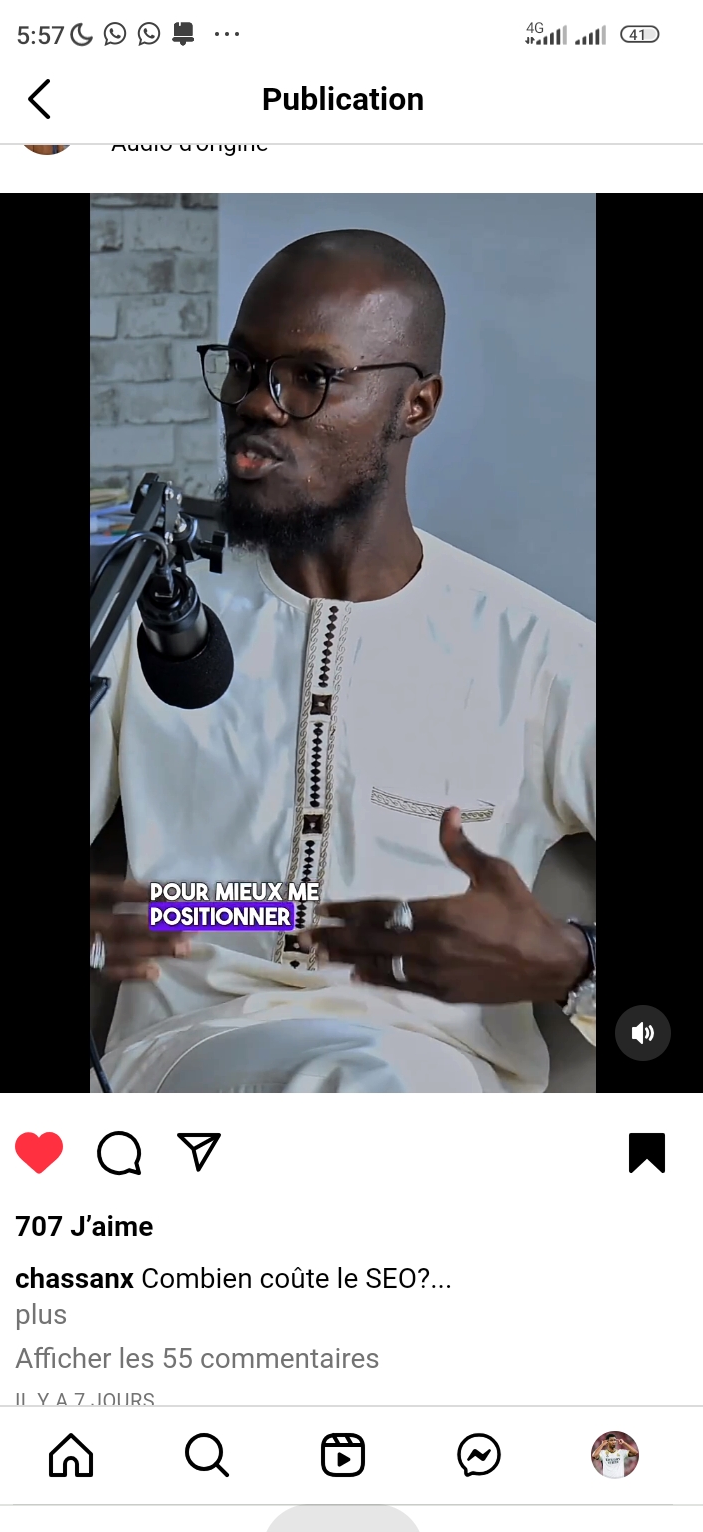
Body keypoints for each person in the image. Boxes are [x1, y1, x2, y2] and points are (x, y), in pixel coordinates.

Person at [90, 228, 596, 1093]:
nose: (257, 404)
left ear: (417, 406)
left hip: (441, 1081)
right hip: (184, 1058)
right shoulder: (149, 605)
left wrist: (571, 959)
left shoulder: (542, 652)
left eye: (310, 377)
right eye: (244, 369)